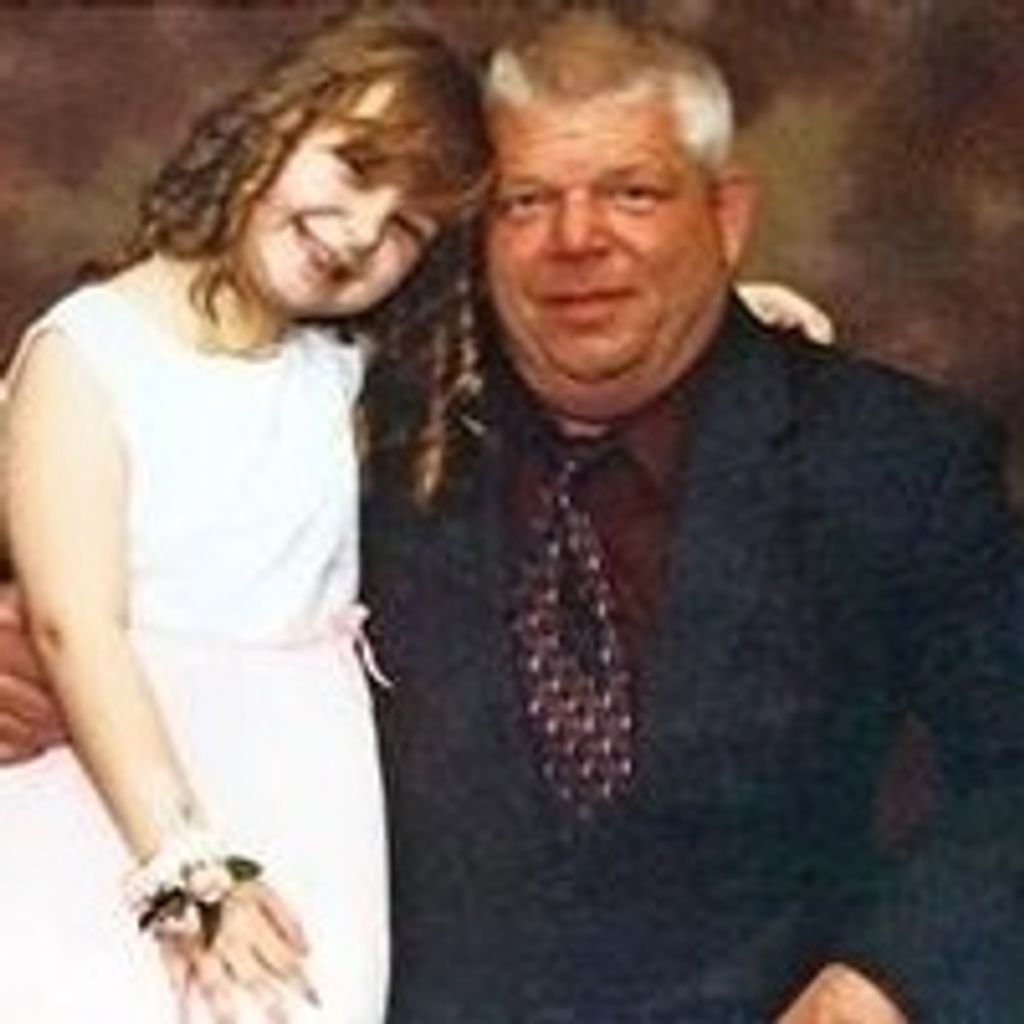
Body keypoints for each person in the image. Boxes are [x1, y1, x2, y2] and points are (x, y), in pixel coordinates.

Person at [358, 10, 1024, 1023]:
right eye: (526, 201)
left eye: (632, 192)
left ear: (726, 215)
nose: (575, 239)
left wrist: (889, 980)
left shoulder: (893, 463)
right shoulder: (366, 448)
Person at [0, 11, 489, 1023]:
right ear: (277, 122)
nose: (361, 231)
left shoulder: (337, 375)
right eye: (354, 167)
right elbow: (71, 624)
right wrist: (190, 872)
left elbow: (531, 357)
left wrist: (743, 312)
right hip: (123, 813)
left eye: (408, 227)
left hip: (305, 807)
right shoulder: (90, 353)